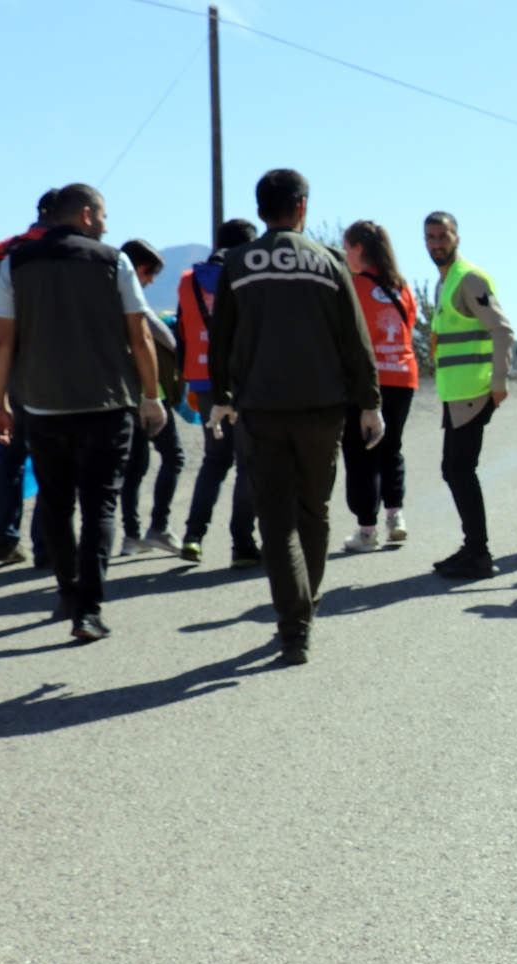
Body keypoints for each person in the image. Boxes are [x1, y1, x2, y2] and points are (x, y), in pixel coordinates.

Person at [206, 169, 383, 666]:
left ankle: (294, 628)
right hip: (322, 412)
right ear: (302, 206)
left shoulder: (239, 262)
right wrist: (370, 404)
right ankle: (307, 603)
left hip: (261, 410)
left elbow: (221, 336)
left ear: (261, 209)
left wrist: (221, 396)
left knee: (276, 523)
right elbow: (356, 339)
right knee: (315, 513)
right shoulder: (327, 261)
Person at [0, 182, 167, 641]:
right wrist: (152, 395)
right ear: (86, 215)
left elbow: (2, 339)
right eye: (103, 214)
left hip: (42, 406)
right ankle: (89, 609)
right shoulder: (113, 261)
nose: (106, 222)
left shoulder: (16, 263)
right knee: (100, 506)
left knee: (56, 503)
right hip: (106, 404)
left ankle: (68, 593)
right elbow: (140, 334)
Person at [425, 211, 515, 579]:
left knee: (459, 470)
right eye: (430, 237)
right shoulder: (444, 282)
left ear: (457, 238)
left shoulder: (467, 278)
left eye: (443, 236)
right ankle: (473, 547)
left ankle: (478, 552)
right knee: (455, 470)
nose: (436, 243)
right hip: (456, 392)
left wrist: (498, 383)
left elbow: (503, 330)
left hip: (474, 391)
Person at [0, 188, 56, 567]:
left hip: (4, 359)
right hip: (45, 362)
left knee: (11, 454)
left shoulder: (4, 250)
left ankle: (5, 540)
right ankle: (46, 543)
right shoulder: (60, 251)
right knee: (51, 456)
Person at [177, 218, 262, 567]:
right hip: (241, 379)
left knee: (215, 459)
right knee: (247, 463)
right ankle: (242, 544)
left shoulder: (187, 281)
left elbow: (182, 329)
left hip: (202, 377)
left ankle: (193, 536)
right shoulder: (246, 276)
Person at [340, 220, 421, 553]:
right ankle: (396, 517)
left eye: (347, 248)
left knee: (361, 453)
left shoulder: (353, 286)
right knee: (391, 447)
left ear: (359, 248)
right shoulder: (401, 286)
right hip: (403, 376)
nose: (345, 255)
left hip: (368, 381)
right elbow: (411, 324)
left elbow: (345, 335)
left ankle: (367, 531)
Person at [115, 239, 187, 557]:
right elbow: (162, 337)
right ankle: (158, 526)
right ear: (134, 267)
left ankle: (131, 535)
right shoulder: (130, 299)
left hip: (121, 395)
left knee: (135, 466)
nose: (150, 279)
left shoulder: (103, 297)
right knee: (174, 457)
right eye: (148, 271)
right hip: (147, 395)